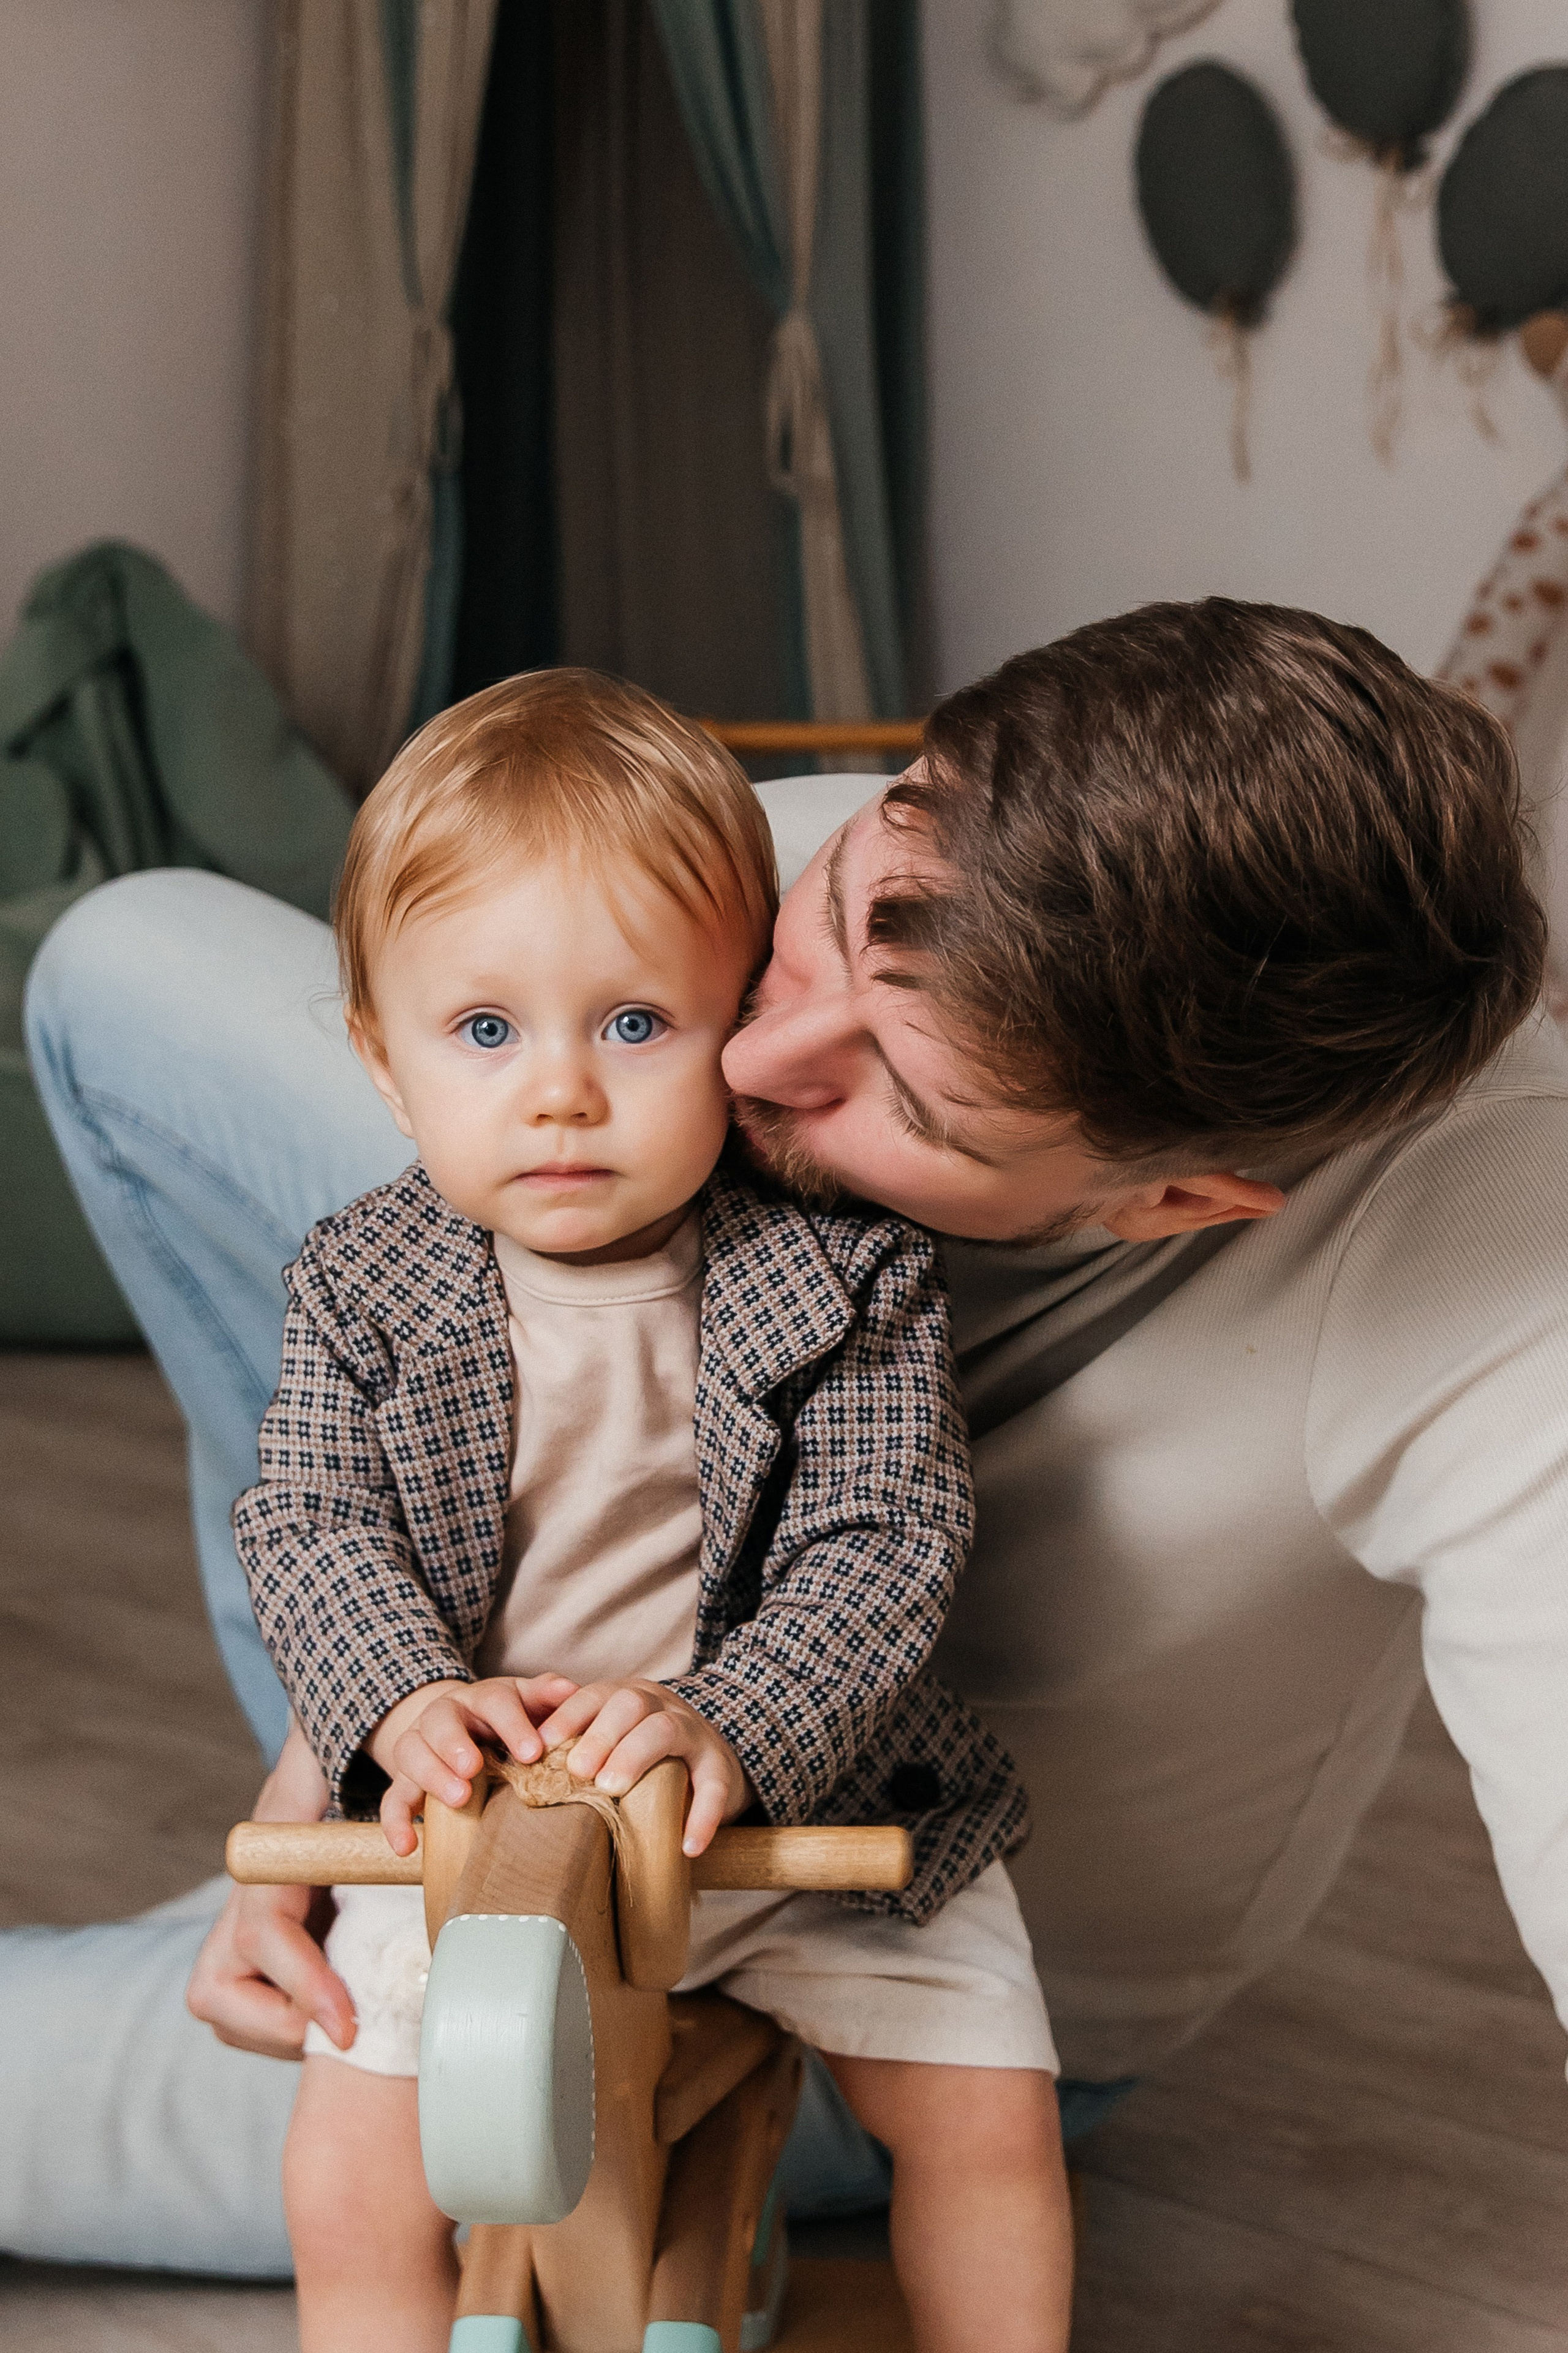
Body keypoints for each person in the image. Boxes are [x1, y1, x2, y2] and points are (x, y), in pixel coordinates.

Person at [10, 599, 1567, 2280]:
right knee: (120, 958)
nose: (742, 1058)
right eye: (823, 919)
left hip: (867, 1912)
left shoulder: (1504, 1272)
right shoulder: (834, 877)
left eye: (907, 1098)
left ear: (1179, 1198)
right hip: (503, 1735)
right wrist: (349, 1742)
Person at [233, 670, 1068, 2353]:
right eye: (487, 1032)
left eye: (634, 1024)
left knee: (986, 2115)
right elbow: (311, 1525)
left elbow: (882, 1547)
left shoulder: (848, 1273)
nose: (562, 1092)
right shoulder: (360, 1283)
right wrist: (400, 1703)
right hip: (485, 1805)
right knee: (348, 2161)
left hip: (781, 1796)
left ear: (737, 1023)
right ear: (383, 1062)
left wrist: (731, 1721)